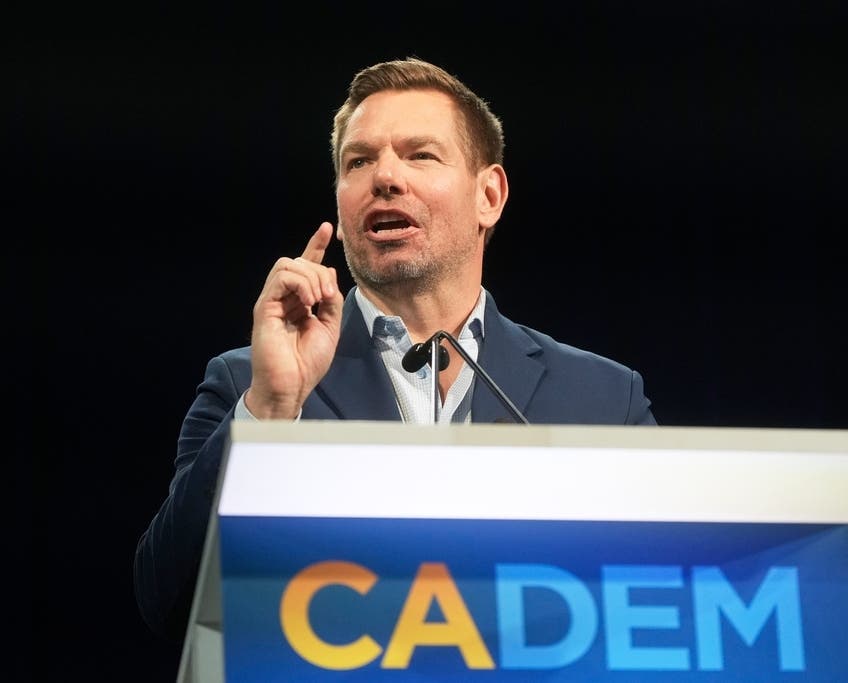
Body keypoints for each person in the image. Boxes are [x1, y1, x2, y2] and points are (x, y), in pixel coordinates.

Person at [133, 56, 657, 641]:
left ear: (490, 195)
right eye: (358, 161)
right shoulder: (248, 387)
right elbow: (168, 600)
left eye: (419, 154)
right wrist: (271, 411)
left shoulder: (605, 399)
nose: (384, 176)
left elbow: (664, 597)